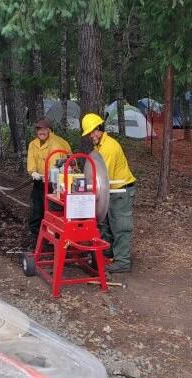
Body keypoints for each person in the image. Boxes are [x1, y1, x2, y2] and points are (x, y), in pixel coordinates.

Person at [81, 113, 136, 273]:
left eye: (93, 132)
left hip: (120, 190)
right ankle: (108, 253)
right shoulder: (98, 147)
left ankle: (122, 262)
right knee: (105, 223)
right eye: (89, 134)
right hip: (111, 189)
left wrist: (87, 189)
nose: (92, 136)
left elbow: (104, 178)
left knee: (120, 225)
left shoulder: (110, 148)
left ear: (100, 129)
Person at [27, 119, 71, 245]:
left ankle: (54, 237)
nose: (41, 132)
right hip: (40, 180)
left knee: (53, 209)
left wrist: (47, 177)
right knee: (36, 206)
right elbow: (31, 162)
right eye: (39, 130)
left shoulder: (56, 144)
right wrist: (33, 172)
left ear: (49, 130)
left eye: (44, 130)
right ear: (36, 131)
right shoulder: (33, 144)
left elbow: (54, 166)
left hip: (56, 182)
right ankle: (35, 234)